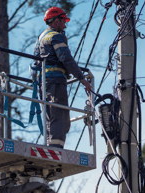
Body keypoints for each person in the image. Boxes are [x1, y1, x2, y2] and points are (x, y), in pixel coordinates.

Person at [33, 7, 91, 149]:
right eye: (63, 21)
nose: (65, 25)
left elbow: (35, 62)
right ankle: (56, 150)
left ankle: (50, 146)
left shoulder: (40, 38)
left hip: (43, 83)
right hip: (56, 82)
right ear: (57, 21)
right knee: (61, 117)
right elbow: (66, 58)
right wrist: (82, 79)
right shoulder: (56, 36)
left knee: (50, 117)